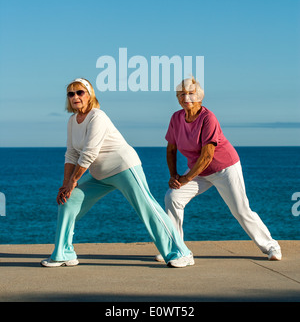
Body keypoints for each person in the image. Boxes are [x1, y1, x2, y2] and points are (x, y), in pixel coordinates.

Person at [41, 78, 194, 268]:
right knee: (68, 200)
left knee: (147, 208)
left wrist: (73, 181)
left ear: (89, 96)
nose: (75, 97)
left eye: (80, 92)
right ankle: (63, 253)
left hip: (124, 167)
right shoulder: (72, 121)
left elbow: (89, 153)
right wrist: (66, 184)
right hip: (99, 174)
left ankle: (181, 252)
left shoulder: (98, 116)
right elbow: (71, 153)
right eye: (71, 94)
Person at [155, 76, 282, 262]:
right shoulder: (176, 118)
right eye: (181, 94)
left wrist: (186, 178)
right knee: (172, 197)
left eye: (190, 93)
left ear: (199, 97)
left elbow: (207, 156)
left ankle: (272, 246)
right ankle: (176, 248)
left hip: (224, 168)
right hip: (199, 172)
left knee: (240, 210)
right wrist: (173, 175)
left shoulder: (208, 118)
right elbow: (171, 148)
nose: (186, 97)